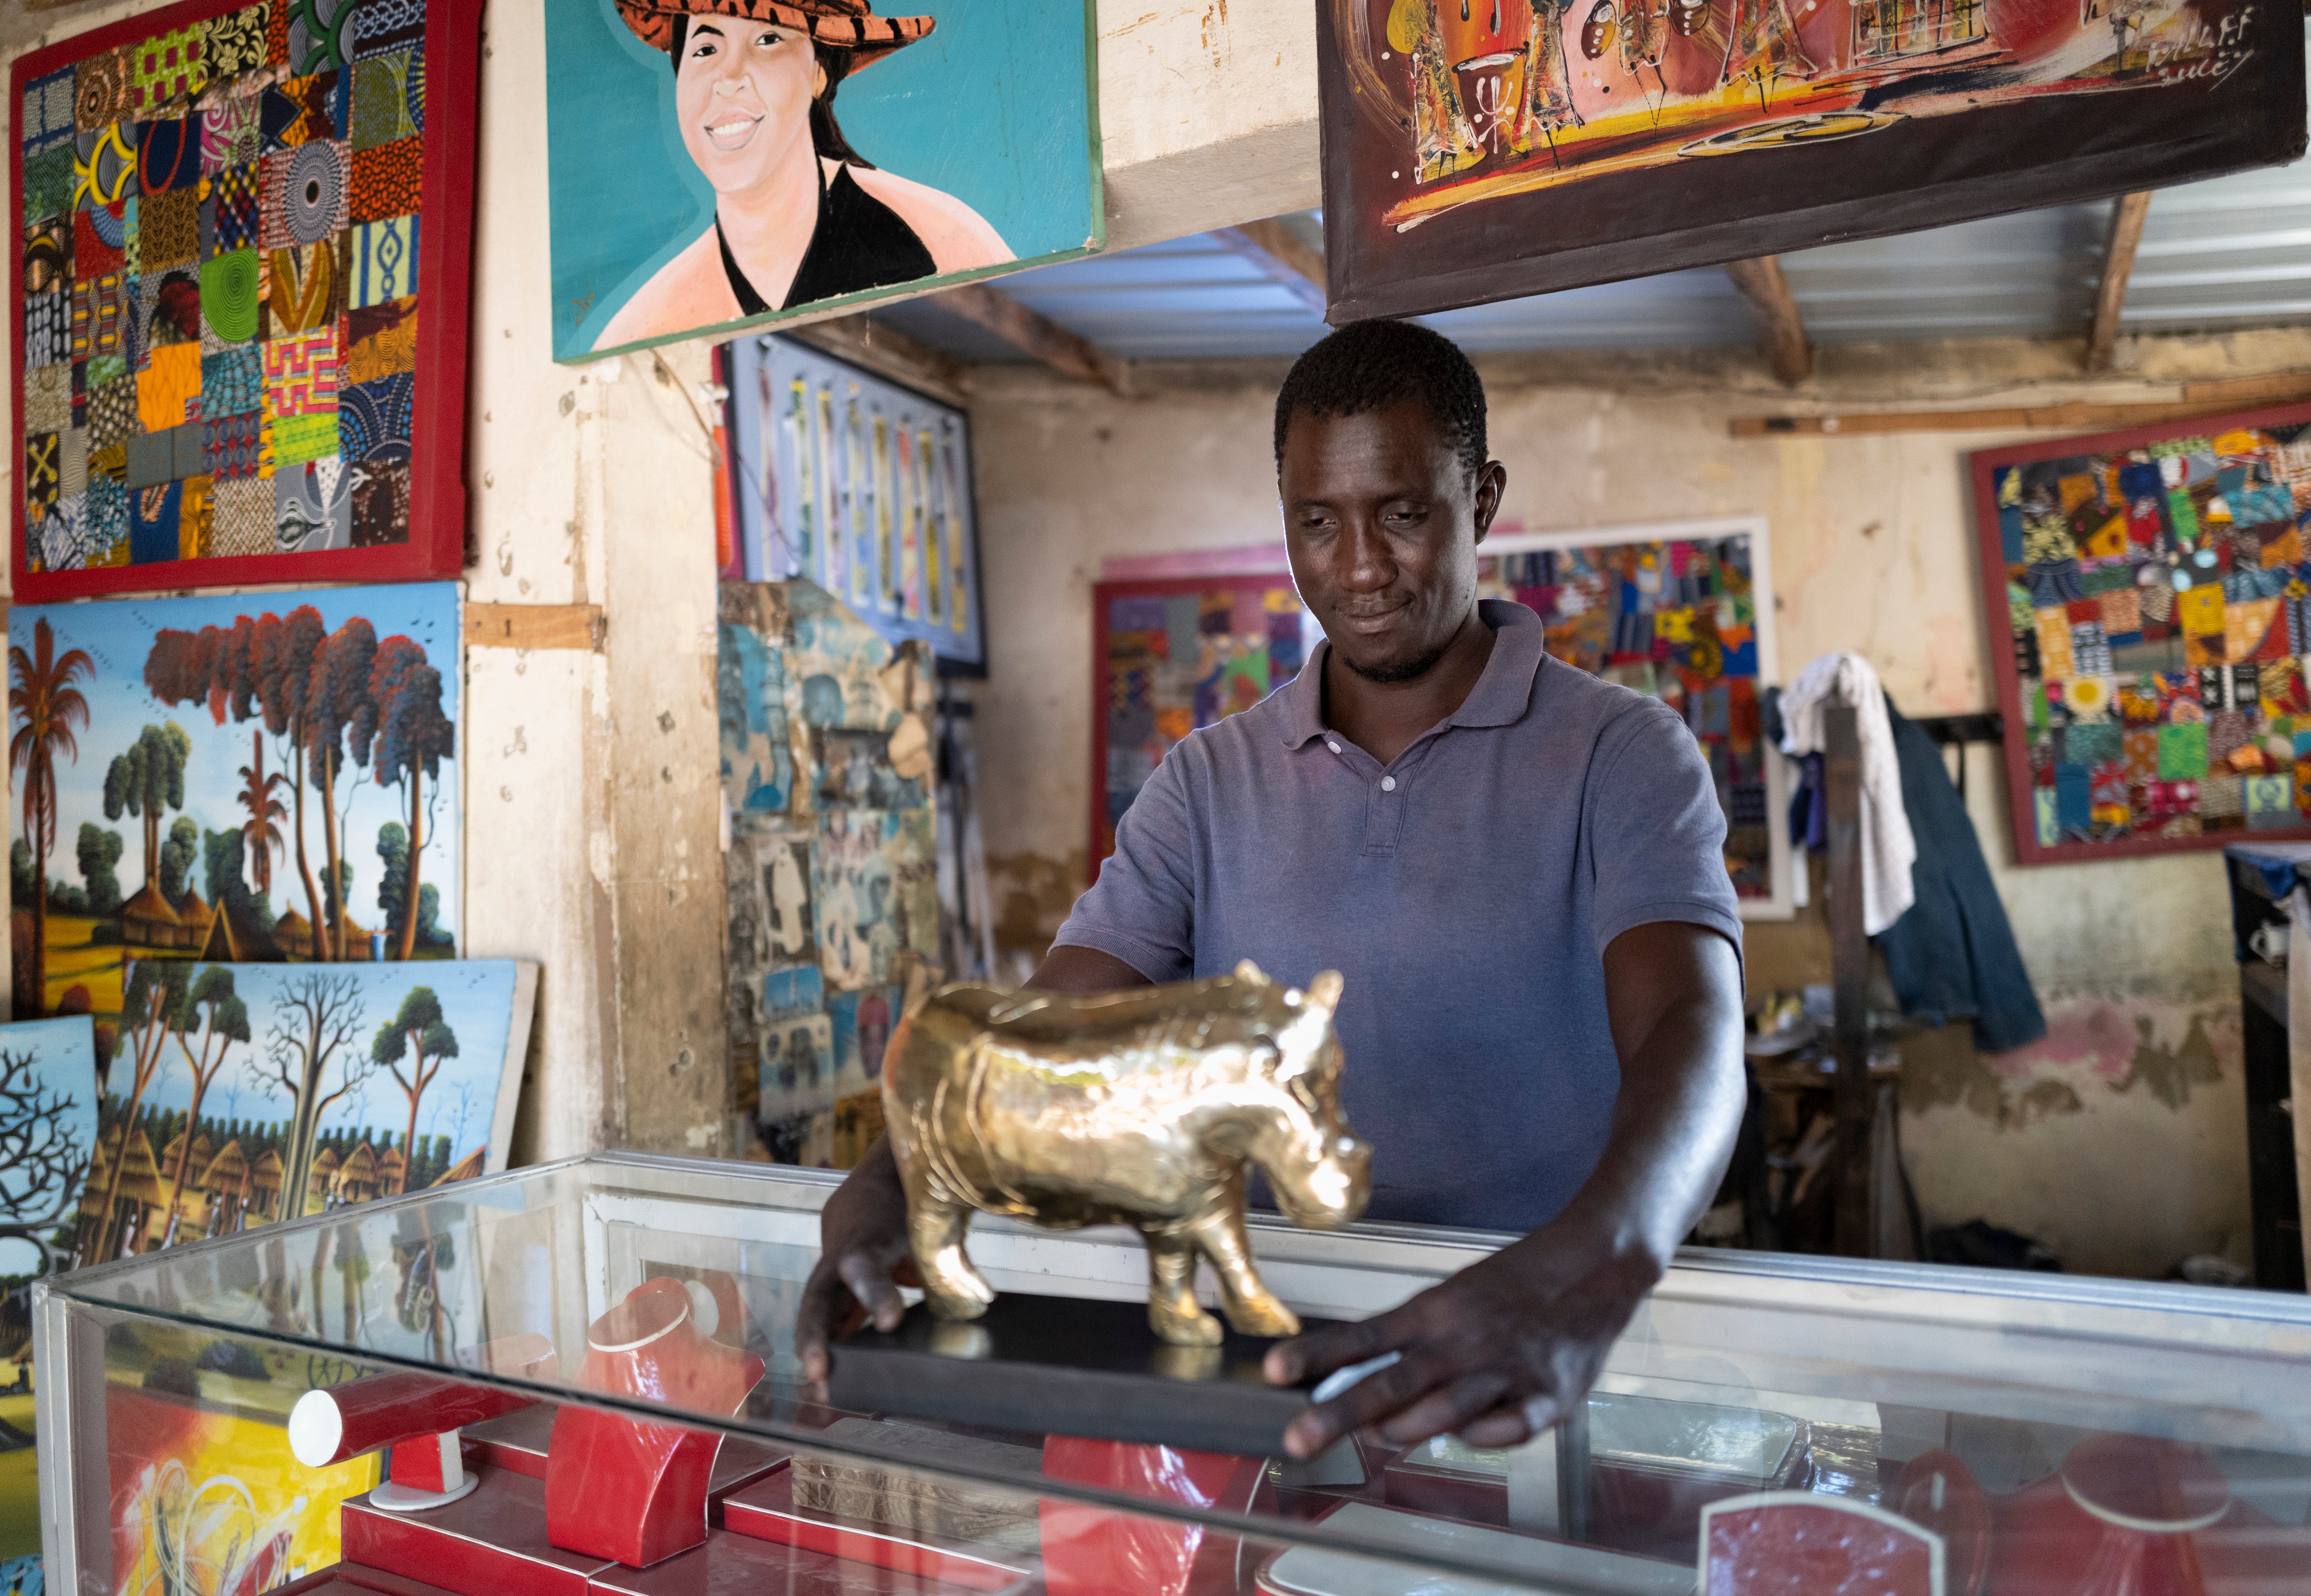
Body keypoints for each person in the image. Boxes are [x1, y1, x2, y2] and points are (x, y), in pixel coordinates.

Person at [795, 319, 1747, 1460]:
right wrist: (892, 1173)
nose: (1357, 566)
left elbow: (1692, 1035)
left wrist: (1592, 1265)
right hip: (1281, 1359)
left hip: (1537, 1351)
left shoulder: (1621, 753)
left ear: (1480, 500)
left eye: (1402, 512)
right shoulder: (1207, 781)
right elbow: (1047, 1024)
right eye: (1316, 521)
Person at [598, 0, 1012, 349]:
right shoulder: (648, 322)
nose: (729, 79)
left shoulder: (941, 241)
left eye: (768, 39)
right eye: (706, 50)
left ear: (819, 72)